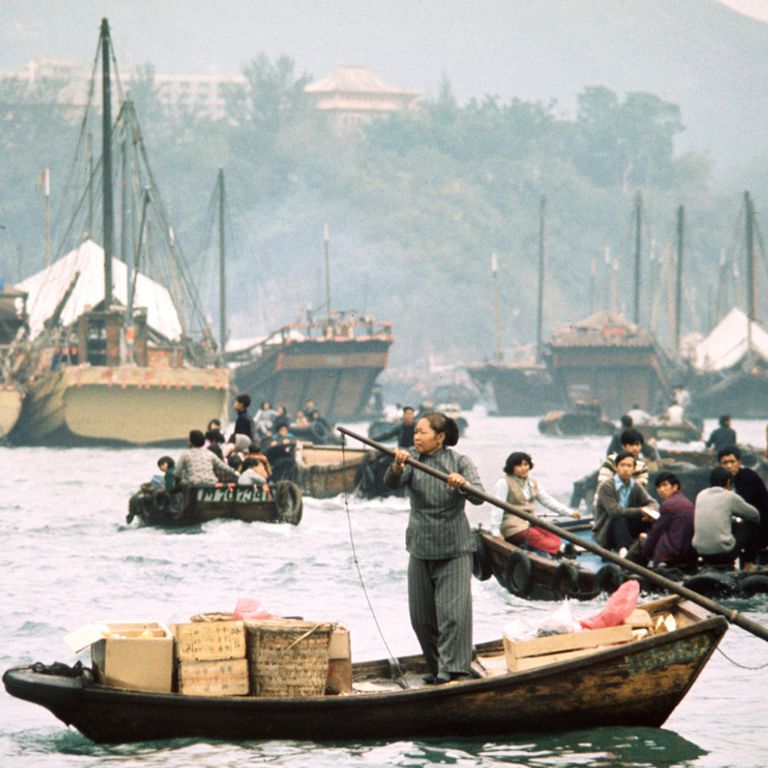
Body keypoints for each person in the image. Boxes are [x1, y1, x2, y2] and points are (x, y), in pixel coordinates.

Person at [384, 411, 484, 685]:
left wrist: (462, 485)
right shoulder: (412, 460)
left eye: (422, 432)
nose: (416, 437)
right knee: (420, 617)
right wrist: (396, 466)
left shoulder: (459, 462)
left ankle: (452, 669)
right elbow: (391, 484)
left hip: (454, 546)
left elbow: (478, 496)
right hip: (420, 545)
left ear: (440, 437)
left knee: (452, 615)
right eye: (415, 432)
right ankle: (437, 664)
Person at [490, 451, 581, 556]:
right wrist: (495, 532)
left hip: (530, 521)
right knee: (535, 536)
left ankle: (561, 548)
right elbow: (497, 507)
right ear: (511, 467)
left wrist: (569, 512)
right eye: (519, 465)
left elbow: (547, 500)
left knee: (551, 533)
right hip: (512, 525)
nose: (524, 468)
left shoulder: (532, 482)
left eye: (526, 464)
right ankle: (562, 549)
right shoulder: (503, 482)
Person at [693, 466, 760, 567]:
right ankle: (749, 562)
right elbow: (755, 515)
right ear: (728, 482)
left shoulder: (700, 495)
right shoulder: (729, 496)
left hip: (702, 553)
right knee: (750, 523)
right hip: (724, 553)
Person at [593, 450, 658, 554]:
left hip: (627, 528)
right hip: (607, 531)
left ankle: (646, 545)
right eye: (622, 465)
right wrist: (641, 510)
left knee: (650, 519)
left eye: (629, 466)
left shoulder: (635, 486)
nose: (625, 469)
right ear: (616, 467)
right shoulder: (606, 486)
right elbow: (614, 511)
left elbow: (653, 503)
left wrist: (648, 512)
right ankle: (624, 550)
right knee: (618, 517)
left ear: (634, 469)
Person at [718, 446, 768, 569]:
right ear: (720, 465)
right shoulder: (722, 480)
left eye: (732, 462)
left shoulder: (748, 477)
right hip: (742, 524)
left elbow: (743, 506)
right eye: (725, 463)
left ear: (739, 463)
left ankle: (747, 563)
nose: (729, 466)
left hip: (760, 524)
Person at [640, 471, 695, 567]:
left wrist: (645, 551)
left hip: (670, 555)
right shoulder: (688, 502)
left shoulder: (668, 505)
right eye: (658, 487)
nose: (661, 490)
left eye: (664, 485)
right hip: (688, 553)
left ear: (675, 487)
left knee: (641, 542)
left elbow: (656, 533)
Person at [595, 428, 651, 505]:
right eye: (631, 445)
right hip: (606, 505)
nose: (635, 448)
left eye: (637, 444)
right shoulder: (612, 460)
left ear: (641, 446)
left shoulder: (642, 467)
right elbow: (603, 484)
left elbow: (641, 487)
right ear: (623, 446)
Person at [174, 429, 239, 486]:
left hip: (193, 486)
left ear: (191, 442)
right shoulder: (209, 453)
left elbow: (177, 474)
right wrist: (234, 472)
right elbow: (223, 466)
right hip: (211, 484)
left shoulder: (186, 454)